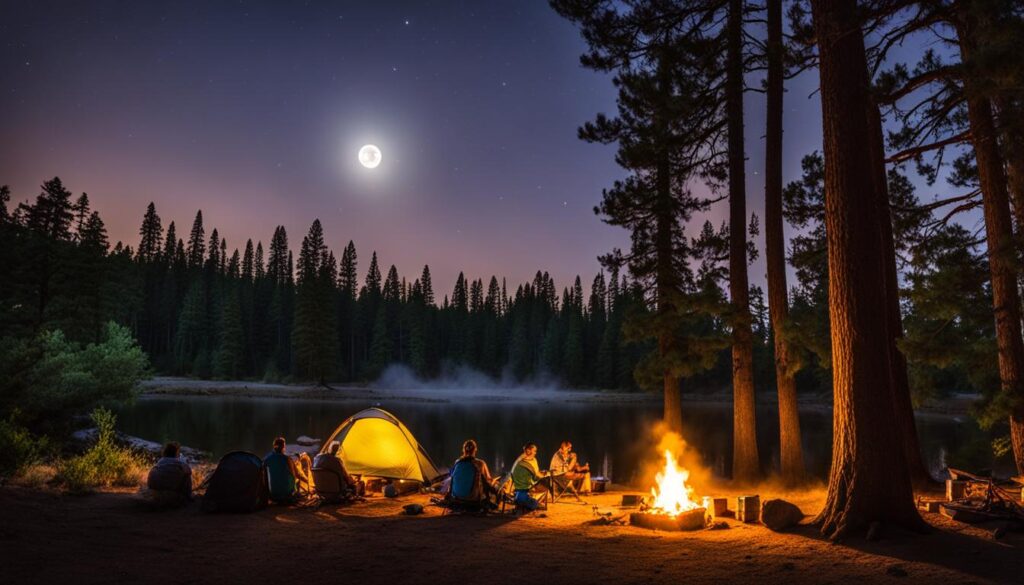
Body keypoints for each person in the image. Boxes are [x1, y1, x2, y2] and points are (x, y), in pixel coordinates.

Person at [264, 437, 313, 503]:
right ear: (283, 447)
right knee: (295, 478)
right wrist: (308, 482)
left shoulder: (267, 459)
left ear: (274, 447)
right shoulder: (287, 459)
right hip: (287, 494)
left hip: (273, 494)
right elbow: (297, 474)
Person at [448, 439, 496, 504]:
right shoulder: (480, 463)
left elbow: (452, 478)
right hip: (471, 498)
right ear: (475, 450)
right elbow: (487, 480)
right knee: (487, 483)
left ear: (463, 450)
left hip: (456, 495)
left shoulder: (457, 462)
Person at [509, 443, 548, 513]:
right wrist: (544, 476)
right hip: (526, 487)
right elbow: (536, 476)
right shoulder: (532, 461)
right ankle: (533, 502)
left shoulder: (519, 460)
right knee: (545, 487)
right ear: (528, 451)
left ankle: (525, 502)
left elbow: (512, 472)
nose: (535, 453)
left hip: (516, 486)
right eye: (534, 451)